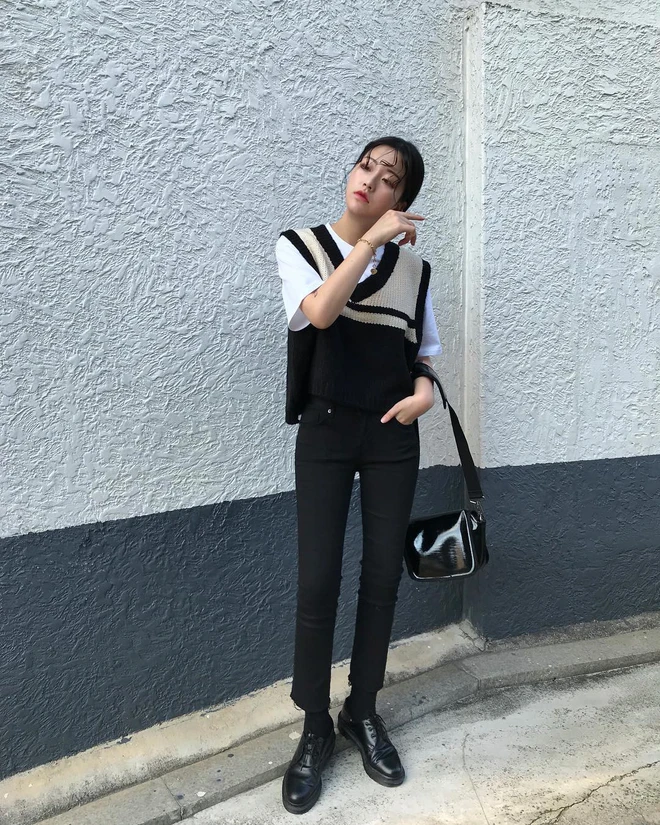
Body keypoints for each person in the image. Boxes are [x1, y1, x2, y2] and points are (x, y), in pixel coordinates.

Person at [274, 136, 443, 814]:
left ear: (403, 198)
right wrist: (369, 242)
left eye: (390, 177)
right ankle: (314, 724)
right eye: (366, 164)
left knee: (380, 577)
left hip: (391, 433)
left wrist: (425, 392)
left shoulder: (415, 270)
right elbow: (319, 312)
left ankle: (362, 710)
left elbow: (421, 353)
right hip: (325, 428)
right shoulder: (300, 246)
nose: (371, 179)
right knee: (318, 579)